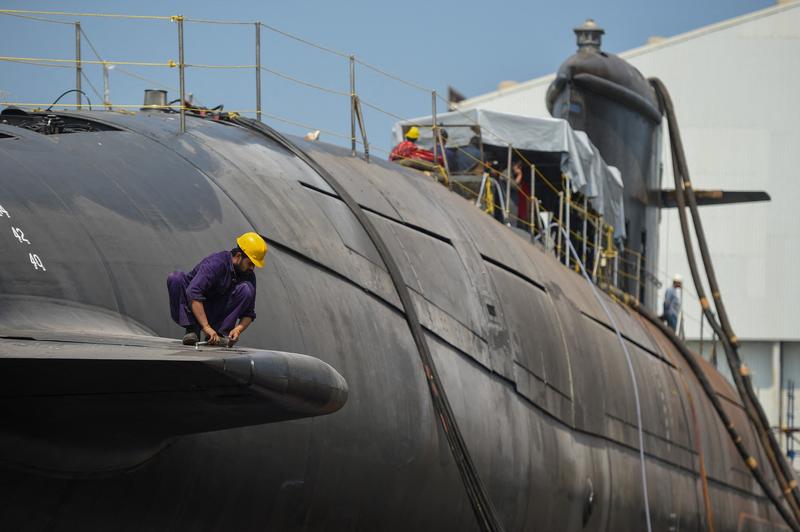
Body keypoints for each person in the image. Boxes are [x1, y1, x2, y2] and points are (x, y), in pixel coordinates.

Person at [167, 232, 267, 346]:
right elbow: (193, 292)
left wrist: (238, 329)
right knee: (175, 278)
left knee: (247, 289)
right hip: (195, 306)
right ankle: (192, 328)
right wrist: (205, 327)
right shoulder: (217, 263)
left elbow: (249, 313)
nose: (252, 268)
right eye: (250, 263)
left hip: (214, 309)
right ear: (239, 256)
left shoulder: (248, 275)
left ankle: (218, 334)